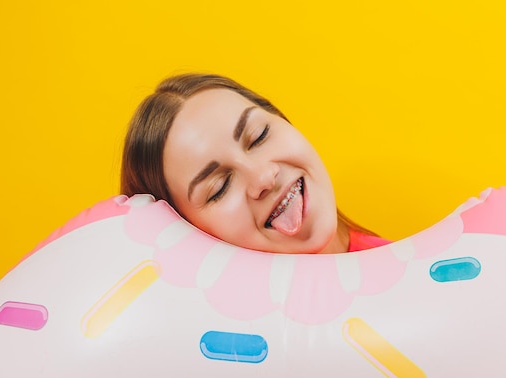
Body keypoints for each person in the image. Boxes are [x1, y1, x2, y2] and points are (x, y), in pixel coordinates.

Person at [121, 73, 389, 254]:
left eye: (259, 136)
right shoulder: (193, 338)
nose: (263, 177)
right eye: (220, 187)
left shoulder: (415, 281)